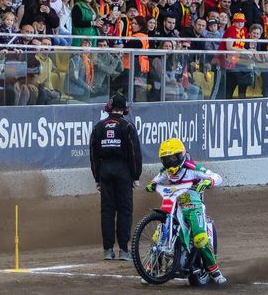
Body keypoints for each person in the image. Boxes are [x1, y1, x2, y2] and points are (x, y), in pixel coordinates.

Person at [143, 138, 226, 285]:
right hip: (173, 205)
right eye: (166, 160)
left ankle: (214, 270)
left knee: (200, 238)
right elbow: (155, 181)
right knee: (158, 235)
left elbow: (216, 176)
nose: (170, 162)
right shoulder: (165, 172)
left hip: (193, 205)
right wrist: (152, 185)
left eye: (173, 158)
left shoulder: (192, 168)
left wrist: (209, 181)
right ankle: (152, 268)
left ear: (181, 156)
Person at [89, 92, 143, 261]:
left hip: (105, 170)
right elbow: (135, 154)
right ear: (124, 109)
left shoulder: (99, 126)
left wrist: (97, 177)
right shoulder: (127, 126)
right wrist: (136, 175)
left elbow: (93, 154)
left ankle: (108, 250)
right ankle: (124, 250)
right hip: (123, 171)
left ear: (110, 108)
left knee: (107, 211)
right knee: (125, 210)